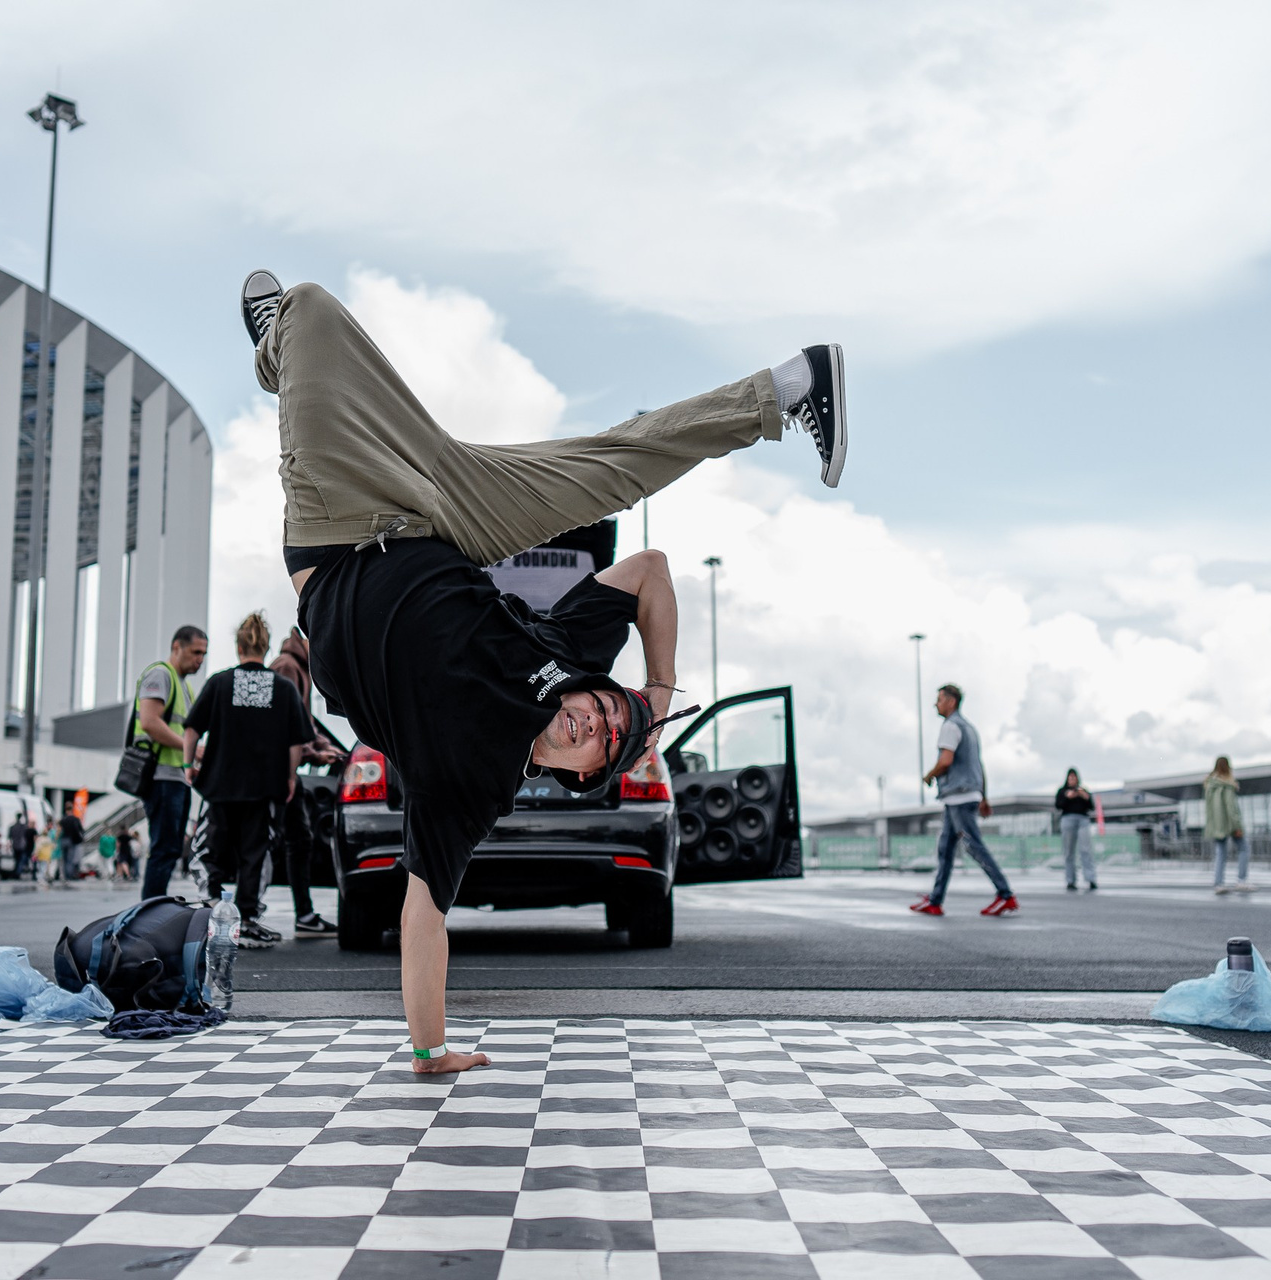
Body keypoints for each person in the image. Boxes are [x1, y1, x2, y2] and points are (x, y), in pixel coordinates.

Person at [243, 271, 843, 1072]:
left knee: (307, 312)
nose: (597, 718)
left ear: (581, 772)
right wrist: (656, 689)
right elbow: (651, 571)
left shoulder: (471, 785)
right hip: (445, 509)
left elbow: (423, 915)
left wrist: (430, 1049)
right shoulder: (568, 654)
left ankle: (273, 346)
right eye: (606, 707)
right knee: (609, 466)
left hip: (337, 525)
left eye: (605, 738)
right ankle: (793, 384)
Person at [182, 612, 313, 948]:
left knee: (209, 849)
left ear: (238, 647)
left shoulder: (219, 683)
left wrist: (188, 764)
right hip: (264, 786)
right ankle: (247, 917)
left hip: (220, 783)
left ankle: (211, 907)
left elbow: (192, 729)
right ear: (265, 648)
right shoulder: (283, 688)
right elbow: (295, 743)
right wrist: (290, 777)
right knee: (256, 854)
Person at [912, 684, 1017, 917]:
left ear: (951, 702)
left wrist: (929, 775)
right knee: (946, 849)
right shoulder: (969, 728)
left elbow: (945, 760)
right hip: (962, 797)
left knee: (974, 846)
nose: (936, 704)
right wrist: (983, 797)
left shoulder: (950, 726)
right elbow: (978, 765)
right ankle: (935, 900)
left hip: (959, 797)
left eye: (940, 700)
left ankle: (1005, 895)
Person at [271, 625, 344, 935]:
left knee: (296, 840)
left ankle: (303, 913)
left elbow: (304, 725)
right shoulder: (288, 667)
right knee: (277, 842)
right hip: (278, 771)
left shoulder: (298, 667)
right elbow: (286, 726)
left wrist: (324, 747)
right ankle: (249, 915)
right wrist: (315, 755)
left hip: (284, 770)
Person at [133, 626, 209, 898]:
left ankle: (154, 907)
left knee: (171, 848)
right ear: (177, 647)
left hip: (176, 777)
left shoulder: (184, 685)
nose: (200, 659)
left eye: (204, 654)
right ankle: (150, 910)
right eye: (196, 652)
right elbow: (149, 722)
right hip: (161, 777)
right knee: (164, 849)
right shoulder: (160, 675)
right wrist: (193, 750)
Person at [1204, 756, 1251, 894]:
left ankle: (1219, 884)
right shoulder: (1227, 784)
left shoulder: (1210, 784)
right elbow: (1231, 808)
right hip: (1230, 824)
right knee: (1244, 848)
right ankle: (1241, 881)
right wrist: (1237, 826)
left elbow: (1209, 809)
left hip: (1217, 825)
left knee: (1220, 853)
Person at [1054, 768, 1096, 892]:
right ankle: (1070, 880)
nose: (1072, 780)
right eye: (1070, 777)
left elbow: (1091, 806)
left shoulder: (1083, 790)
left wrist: (1085, 796)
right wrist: (1067, 797)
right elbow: (1058, 805)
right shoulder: (1062, 791)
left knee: (1085, 850)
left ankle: (1091, 879)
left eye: (1074, 777)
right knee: (1069, 851)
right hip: (1068, 819)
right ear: (1067, 779)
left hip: (1083, 819)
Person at [58, 809, 85, 879]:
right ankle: (69, 875)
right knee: (70, 859)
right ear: (72, 812)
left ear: (67, 812)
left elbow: (59, 830)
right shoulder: (75, 819)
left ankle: (64, 875)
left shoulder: (63, 820)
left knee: (64, 859)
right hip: (71, 841)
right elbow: (81, 830)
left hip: (63, 840)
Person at [7, 812, 35, 879]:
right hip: (22, 845)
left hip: (15, 845)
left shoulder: (12, 827)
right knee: (21, 860)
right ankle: (18, 873)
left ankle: (16, 873)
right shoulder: (24, 827)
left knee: (17, 860)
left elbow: (9, 837)